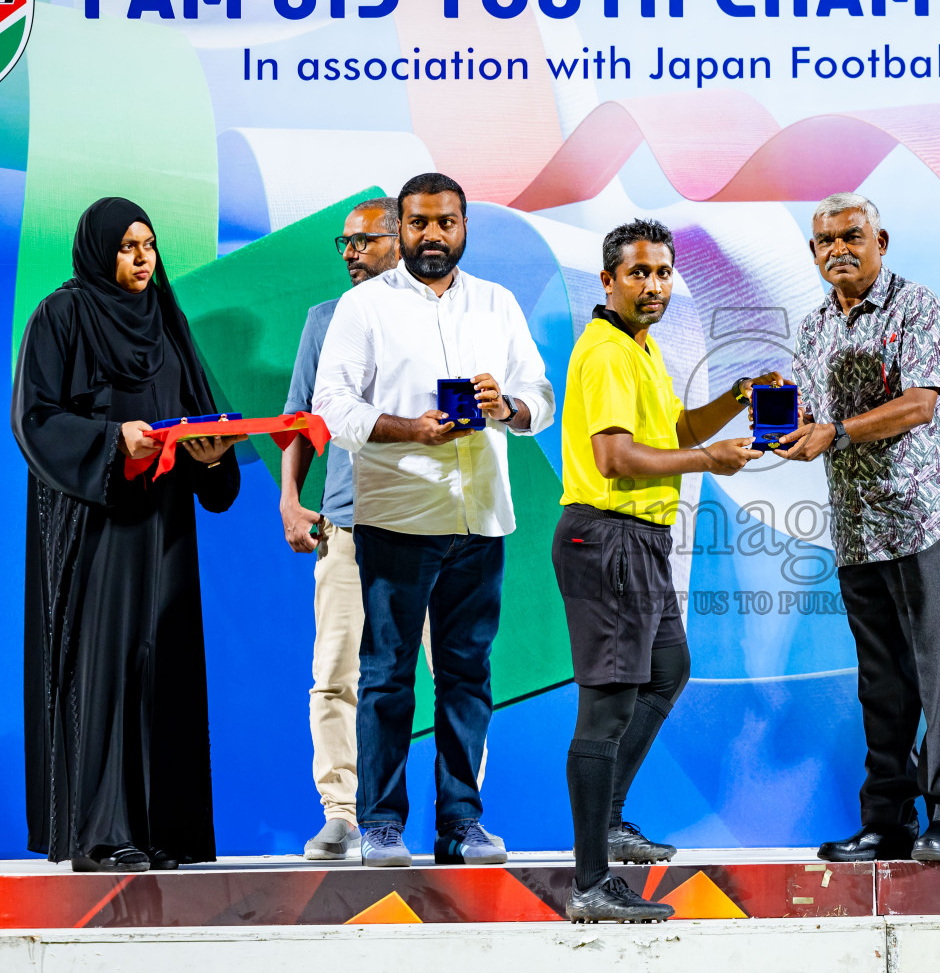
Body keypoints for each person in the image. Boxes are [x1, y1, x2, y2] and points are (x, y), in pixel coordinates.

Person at [312, 172, 555, 867]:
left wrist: (505, 406)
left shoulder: (497, 304)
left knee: (468, 675)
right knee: (386, 677)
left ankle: (462, 824)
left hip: (481, 520)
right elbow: (334, 404)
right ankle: (380, 825)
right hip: (396, 517)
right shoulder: (364, 307)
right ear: (402, 228)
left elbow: (540, 395)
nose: (431, 236)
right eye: (418, 224)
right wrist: (405, 430)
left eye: (444, 223)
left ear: (464, 226)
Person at [12, 197, 243, 872]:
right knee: (105, 666)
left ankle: (161, 830)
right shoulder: (62, 314)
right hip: (98, 521)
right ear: (97, 251)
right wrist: (113, 440)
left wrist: (213, 456)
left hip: (164, 522)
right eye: (126, 247)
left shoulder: (168, 322)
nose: (142, 258)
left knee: (162, 661)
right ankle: (104, 833)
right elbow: (34, 418)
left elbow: (204, 418)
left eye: (148, 245)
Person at [555, 218, 775, 922]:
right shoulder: (608, 353)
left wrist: (737, 398)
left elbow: (672, 434)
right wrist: (712, 461)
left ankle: (609, 822)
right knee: (607, 707)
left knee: (667, 667)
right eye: (639, 273)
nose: (654, 285)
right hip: (608, 535)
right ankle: (590, 883)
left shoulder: (638, 348)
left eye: (662, 273)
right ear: (608, 280)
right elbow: (618, 457)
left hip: (638, 540)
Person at [776, 193, 940, 863]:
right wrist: (779, 427)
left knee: (938, 670)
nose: (839, 248)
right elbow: (812, 422)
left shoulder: (916, 306)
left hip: (920, 517)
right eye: (826, 240)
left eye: (852, 236)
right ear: (813, 252)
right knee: (882, 682)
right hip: (858, 526)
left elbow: (919, 405)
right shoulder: (810, 330)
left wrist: (833, 432)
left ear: (880, 240)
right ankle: (887, 821)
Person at [280, 196, 419, 861]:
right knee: (337, 674)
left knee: (444, 677)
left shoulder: (439, 316)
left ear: (404, 240)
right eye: (344, 242)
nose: (349, 253)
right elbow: (299, 421)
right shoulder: (324, 320)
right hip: (346, 527)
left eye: (363, 241)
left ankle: (451, 815)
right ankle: (342, 811)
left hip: (431, 527)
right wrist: (288, 498)